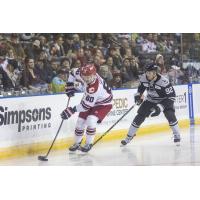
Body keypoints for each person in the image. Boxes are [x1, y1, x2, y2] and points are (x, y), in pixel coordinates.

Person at [121, 63, 181, 146]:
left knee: (170, 115)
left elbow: (171, 97)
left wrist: (160, 107)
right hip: (150, 100)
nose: (147, 74)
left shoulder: (163, 82)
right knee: (139, 116)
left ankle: (177, 135)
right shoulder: (143, 78)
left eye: (149, 73)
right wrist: (138, 96)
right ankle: (128, 137)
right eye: (146, 72)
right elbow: (141, 88)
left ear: (154, 73)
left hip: (164, 100)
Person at [61, 64, 113, 152]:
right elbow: (72, 72)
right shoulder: (81, 73)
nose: (86, 79)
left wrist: (72, 110)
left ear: (94, 74)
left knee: (91, 120)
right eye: (84, 76)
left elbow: (85, 106)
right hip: (89, 99)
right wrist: (69, 84)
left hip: (103, 103)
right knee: (80, 122)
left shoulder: (94, 87)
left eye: (89, 76)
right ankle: (77, 143)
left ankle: (89, 143)